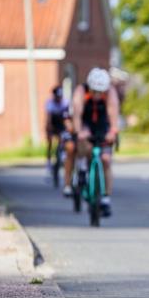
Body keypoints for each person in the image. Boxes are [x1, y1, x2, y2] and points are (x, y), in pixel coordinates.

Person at [63, 68, 119, 216]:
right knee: (83, 143)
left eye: (100, 92)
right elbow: (77, 115)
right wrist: (78, 131)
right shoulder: (81, 91)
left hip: (102, 124)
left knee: (106, 159)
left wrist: (113, 132)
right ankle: (81, 168)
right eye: (94, 91)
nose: (97, 95)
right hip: (85, 123)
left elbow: (113, 115)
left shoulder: (110, 93)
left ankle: (106, 198)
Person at [44, 86, 70, 166]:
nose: (59, 99)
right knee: (50, 142)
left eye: (60, 97)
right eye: (57, 97)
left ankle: (62, 152)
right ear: (54, 96)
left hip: (61, 122)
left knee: (62, 138)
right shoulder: (50, 103)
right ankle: (48, 160)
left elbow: (67, 117)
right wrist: (49, 129)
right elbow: (48, 118)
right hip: (52, 122)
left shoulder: (65, 102)